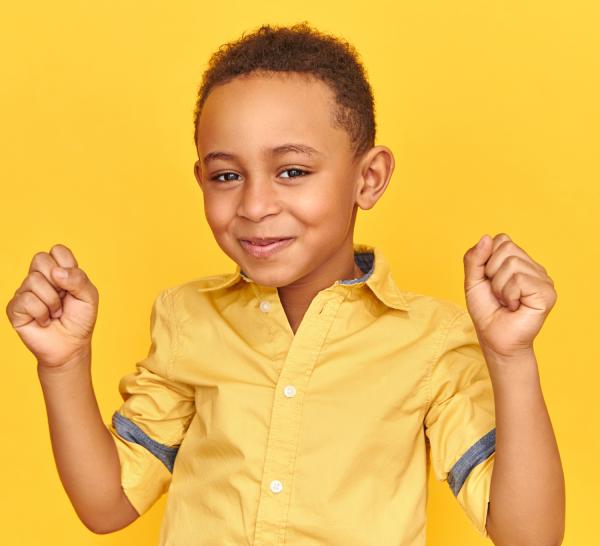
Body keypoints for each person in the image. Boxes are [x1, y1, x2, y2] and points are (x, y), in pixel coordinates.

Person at [5, 22, 565, 546]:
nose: (254, 205)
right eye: (227, 175)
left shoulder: (431, 339)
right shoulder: (187, 317)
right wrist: (63, 364)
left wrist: (511, 357)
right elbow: (107, 507)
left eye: (292, 171)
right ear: (201, 179)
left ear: (368, 178)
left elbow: (529, 536)